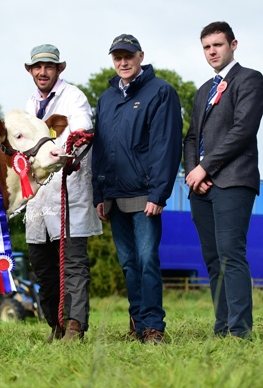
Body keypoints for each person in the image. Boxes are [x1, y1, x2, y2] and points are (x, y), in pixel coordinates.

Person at [91, 34, 183, 344]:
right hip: (114, 197)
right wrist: (98, 195)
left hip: (145, 196)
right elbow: (99, 151)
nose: (123, 61)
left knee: (147, 261)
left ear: (140, 56)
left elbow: (166, 146)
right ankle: (138, 322)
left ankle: (154, 327)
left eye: (128, 55)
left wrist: (159, 193)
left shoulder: (161, 92)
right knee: (129, 263)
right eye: (117, 56)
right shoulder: (106, 99)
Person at [184, 21, 263, 339]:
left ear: (233, 44)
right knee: (213, 258)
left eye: (217, 44)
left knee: (231, 253)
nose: (212, 51)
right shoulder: (203, 90)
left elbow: (243, 130)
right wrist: (193, 174)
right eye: (206, 46)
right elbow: (191, 137)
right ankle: (222, 327)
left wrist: (206, 167)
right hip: (201, 187)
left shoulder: (251, 79)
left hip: (234, 180)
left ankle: (240, 331)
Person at [23, 44, 102, 342]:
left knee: (73, 264)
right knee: (42, 266)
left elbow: (82, 128)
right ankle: (54, 325)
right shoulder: (29, 104)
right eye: (38, 67)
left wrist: (65, 149)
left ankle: (75, 325)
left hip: (67, 191)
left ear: (59, 70)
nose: (43, 72)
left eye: (49, 67)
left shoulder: (73, 97)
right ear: (30, 71)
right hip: (38, 196)